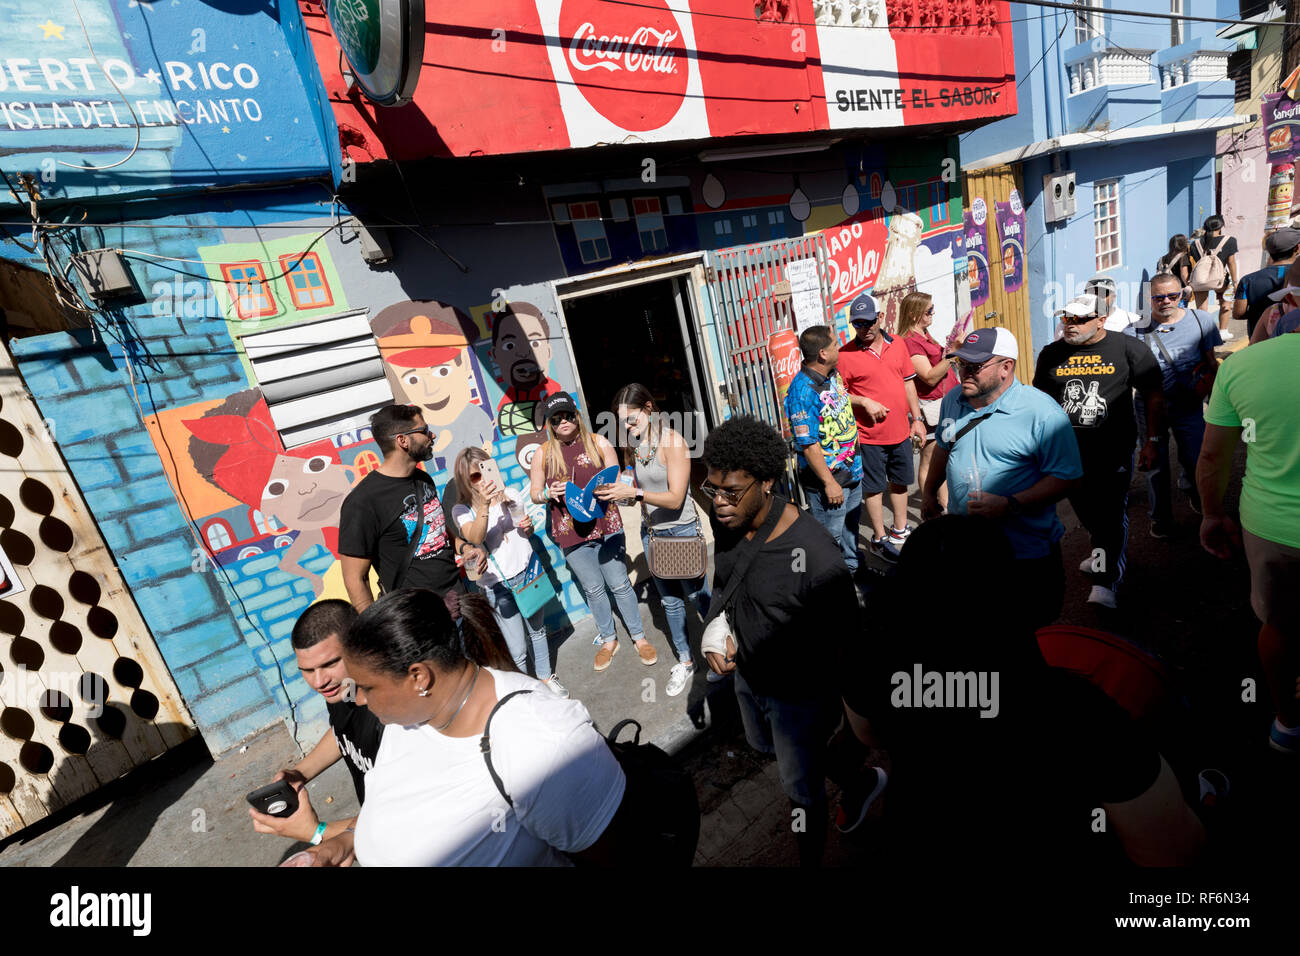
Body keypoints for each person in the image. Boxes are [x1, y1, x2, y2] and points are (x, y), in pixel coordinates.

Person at [841, 515, 1206, 867]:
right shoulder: (1076, 711)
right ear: (1010, 594)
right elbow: (1172, 851)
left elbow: (868, 733)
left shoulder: (870, 667)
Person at [308, 588, 626, 867]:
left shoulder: (541, 743)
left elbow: (612, 854)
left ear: (419, 677)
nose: (358, 700)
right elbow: (394, 805)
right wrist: (344, 842)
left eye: (367, 688)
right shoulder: (407, 719)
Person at [699, 416, 861, 867]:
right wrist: (719, 630)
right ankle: (858, 781)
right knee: (772, 750)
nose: (720, 504)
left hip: (800, 697)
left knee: (800, 791)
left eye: (732, 491)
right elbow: (728, 584)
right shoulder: (729, 522)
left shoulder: (816, 556)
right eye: (713, 490)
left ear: (766, 481)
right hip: (750, 679)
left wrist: (851, 726)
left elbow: (849, 646)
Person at [920, 327, 1082, 628]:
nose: (964, 372)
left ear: (1006, 367)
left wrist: (1011, 504)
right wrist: (930, 491)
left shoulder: (1042, 413)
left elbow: (1066, 477)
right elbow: (944, 447)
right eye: (960, 364)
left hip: (1024, 554)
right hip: (967, 547)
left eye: (974, 366)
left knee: (1030, 635)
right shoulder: (953, 400)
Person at [1198, 325, 1300, 754]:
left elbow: (1212, 456)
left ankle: (1287, 723)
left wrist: (1211, 514)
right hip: (1271, 523)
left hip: (1273, 525)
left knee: (1279, 624)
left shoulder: (1241, 365)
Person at [1034, 295, 1166, 608]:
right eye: (1067, 318)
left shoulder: (1128, 348)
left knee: (1109, 515)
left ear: (1102, 320)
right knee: (1089, 514)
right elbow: (1040, 403)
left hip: (1113, 451)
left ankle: (1105, 581)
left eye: (1079, 319)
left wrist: (1153, 441)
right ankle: (1100, 556)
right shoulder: (1051, 354)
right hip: (1066, 453)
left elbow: (1154, 396)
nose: (1070, 325)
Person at [597, 384, 712, 697]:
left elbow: (675, 498)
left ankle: (723, 653)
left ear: (648, 408)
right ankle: (687, 661)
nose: (628, 427)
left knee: (698, 598)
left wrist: (634, 493)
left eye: (632, 419)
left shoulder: (672, 442)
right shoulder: (636, 444)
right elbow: (641, 493)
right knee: (671, 604)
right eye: (622, 423)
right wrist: (620, 494)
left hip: (681, 531)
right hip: (653, 534)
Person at [529, 391, 657, 671]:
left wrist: (609, 489)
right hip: (571, 532)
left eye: (567, 415)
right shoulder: (543, 454)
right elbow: (534, 493)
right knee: (594, 589)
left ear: (576, 416)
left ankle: (639, 637)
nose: (563, 421)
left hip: (606, 524)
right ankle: (609, 640)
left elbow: (616, 479)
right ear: (550, 424)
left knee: (620, 584)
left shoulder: (599, 443)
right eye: (556, 418)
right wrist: (547, 493)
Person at [249, 600, 375, 847]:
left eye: (330, 664)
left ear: (360, 646)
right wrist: (300, 773)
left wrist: (315, 832)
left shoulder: (395, 715)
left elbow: (396, 822)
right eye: (307, 670)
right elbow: (344, 734)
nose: (319, 682)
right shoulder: (344, 690)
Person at [339, 404, 486, 613]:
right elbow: (355, 579)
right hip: (419, 618)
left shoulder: (423, 479)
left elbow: (438, 530)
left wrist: (466, 548)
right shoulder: (363, 502)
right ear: (402, 440)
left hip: (459, 599)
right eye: (424, 431)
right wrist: (376, 630)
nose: (432, 435)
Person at [452, 446, 567, 698]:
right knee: (516, 648)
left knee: (538, 632)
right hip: (496, 584)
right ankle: (527, 690)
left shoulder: (512, 494)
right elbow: (475, 536)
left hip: (526, 572)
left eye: (486, 470)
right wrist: (484, 504)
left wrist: (527, 527)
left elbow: (525, 532)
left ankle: (546, 678)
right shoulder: (462, 510)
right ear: (465, 480)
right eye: (474, 476)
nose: (482, 479)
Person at [1123, 272, 1222, 538]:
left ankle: (1197, 494)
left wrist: (1219, 399)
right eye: (1158, 297)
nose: (1166, 301)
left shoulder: (1201, 321)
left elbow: (1211, 363)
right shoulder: (1132, 332)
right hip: (1149, 408)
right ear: (1149, 298)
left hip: (1189, 404)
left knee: (1196, 457)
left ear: (1182, 295)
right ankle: (1160, 518)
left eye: (1172, 295)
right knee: (1156, 464)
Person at [836, 293, 927, 559]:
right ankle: (878, 537)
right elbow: (837, 396)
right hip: (869, 437)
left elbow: (908, 382)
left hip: (900, 431)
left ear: (879, 318)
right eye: (857, 324)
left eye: (867, 322)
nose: (863, 328)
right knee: (874, 488)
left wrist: (917, 419)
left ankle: (900, 529)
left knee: (900, 482)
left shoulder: (898, 344)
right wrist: (863, 401)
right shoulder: (845, 355)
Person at [782, 325, 864, 572]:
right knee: (829, 539)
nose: (838, 347)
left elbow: (837, 401)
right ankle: (828, 586)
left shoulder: (832, 374)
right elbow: (808, 445)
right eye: (834, 344)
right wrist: (829, 483)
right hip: (828, 482)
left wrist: (865, 402)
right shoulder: (801, 391)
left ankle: (852, 570)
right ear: (823, 354)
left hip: (851, 472)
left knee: (851, 527)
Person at [898, 291, 959, 512]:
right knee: (931, 460)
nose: (933, 313)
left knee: (942, 458)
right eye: (929, 310)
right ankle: (932, 506)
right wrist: (953, 355)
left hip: (945, 403)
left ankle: (945, 506)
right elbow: (930, 376)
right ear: (914, 315)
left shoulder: (924, 334)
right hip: (932, 407)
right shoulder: (910, 342)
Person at [1238, 227, 1300, 341]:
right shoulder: (1296, 275)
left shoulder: (1247, 280)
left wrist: (1258, 312)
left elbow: (1238, 313)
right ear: (1297, 248)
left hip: (1260, 344)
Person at [1189, 216, 1239, 339]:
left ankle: (1204, 334)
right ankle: (1222, 331)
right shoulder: (1229, 240)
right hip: (1221, 280)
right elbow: (1231, 262)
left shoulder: (1195, 244)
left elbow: (1198, 262)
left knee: (1201, 309)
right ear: (1220, 226)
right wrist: (1235, 281)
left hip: (1201, 279)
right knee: (1225, 305)